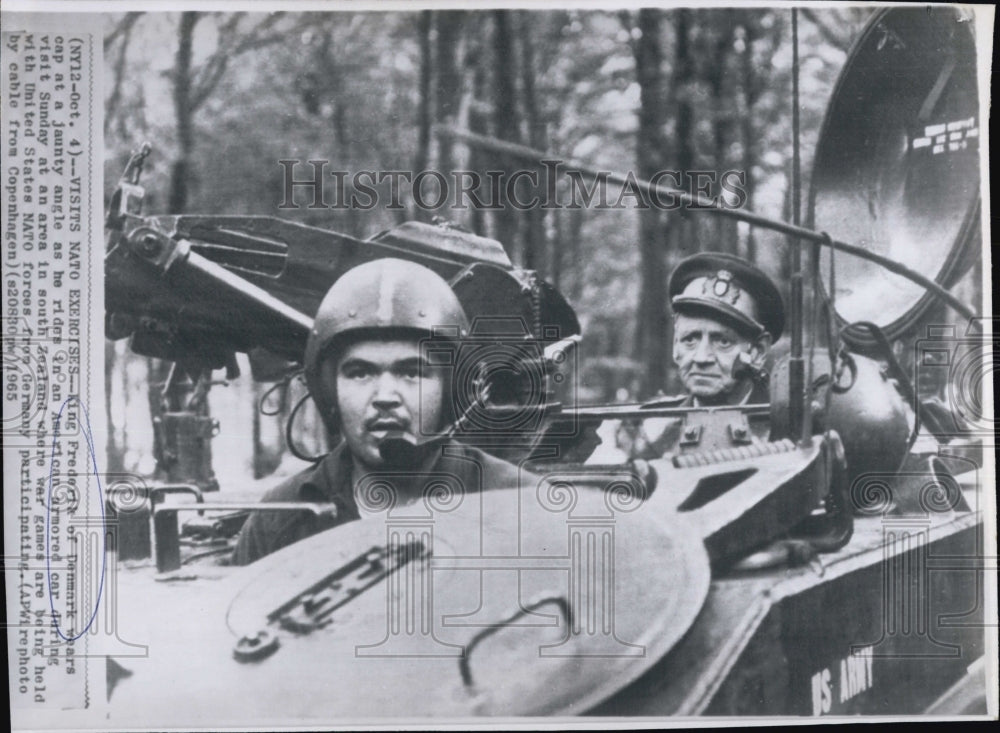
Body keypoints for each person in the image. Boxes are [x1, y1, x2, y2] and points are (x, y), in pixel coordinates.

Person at [232, 258, 524, 565]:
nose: (385, 397)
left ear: (450, 388)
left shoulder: (517, 504)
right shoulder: (281, 519)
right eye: (360, 373)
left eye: (412, 372)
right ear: (330, 389)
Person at [593, 252, 785, 462]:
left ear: (757, 352)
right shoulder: (647, 430)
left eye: (723, 342)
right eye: (690, 339)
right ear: (676, 345)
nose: (701, 358)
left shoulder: (789, 428)